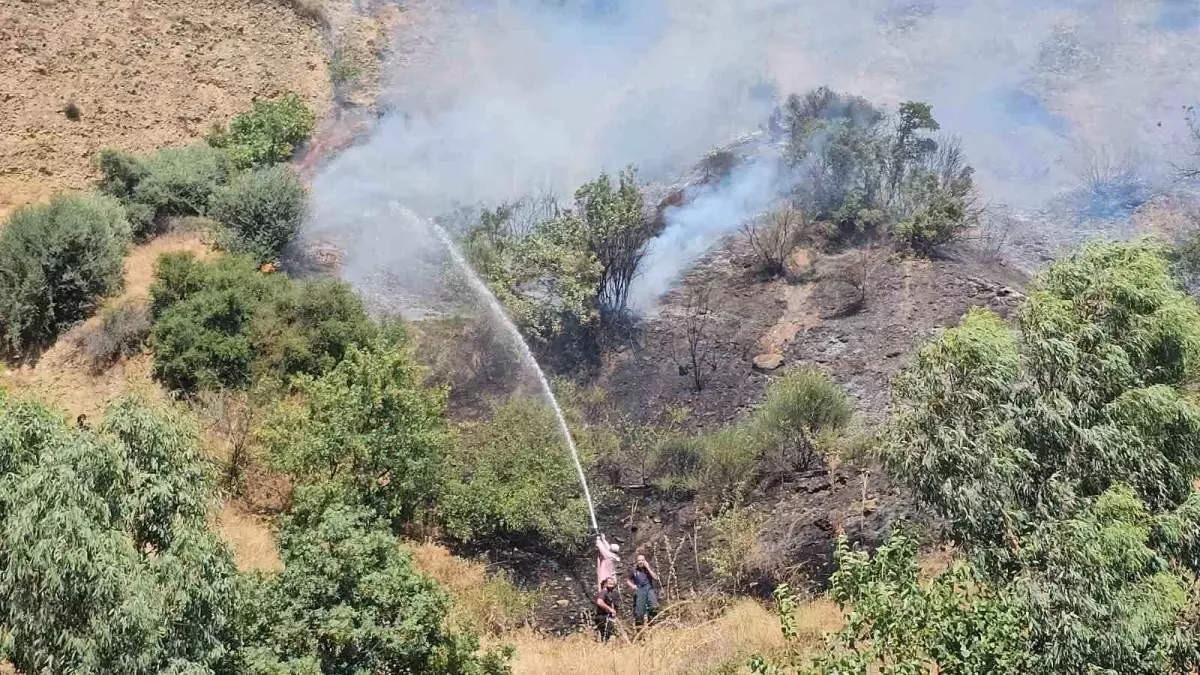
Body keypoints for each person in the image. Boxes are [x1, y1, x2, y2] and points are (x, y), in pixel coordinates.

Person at [626, 554, 660, 626]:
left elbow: (656, 578)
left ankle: (651, 622)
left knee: (654, 606)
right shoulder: (634, 569)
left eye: (642, 560)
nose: (641, 562)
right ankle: (639, 627)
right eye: (639, 560)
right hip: (640, 589)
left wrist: (648, 567)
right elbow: (628, 580)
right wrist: (632, 585)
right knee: (639, 612)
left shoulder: (648, 568)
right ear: (636, 561)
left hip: (649, 588)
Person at [594, 576, 619, 643]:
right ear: (605, 584)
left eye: (613, 584)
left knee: (611, 635)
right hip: (603, 616)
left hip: (609, 617)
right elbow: (599, 602)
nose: (612, 585)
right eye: (610, 584)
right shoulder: (604, 592)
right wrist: (610, 609)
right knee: (607, 635)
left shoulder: (612, 593)